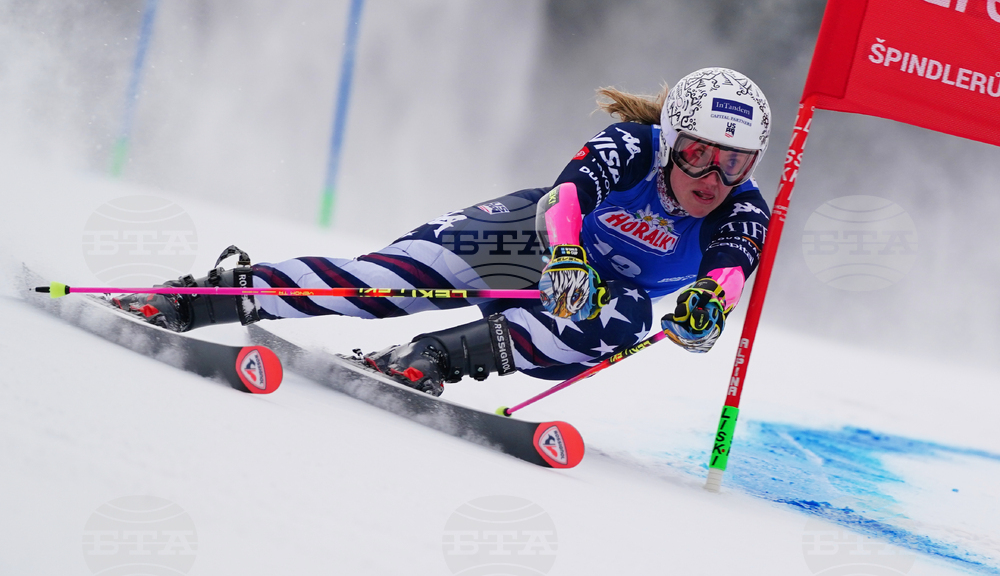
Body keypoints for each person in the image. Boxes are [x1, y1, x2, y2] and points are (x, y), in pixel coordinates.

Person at [113, 67, 772, 397]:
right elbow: (565, 197)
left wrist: (708, 308)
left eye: (734, 161)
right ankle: (194, 297)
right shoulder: (632, 144)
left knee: (622, 316)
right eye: (696, 153)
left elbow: (729, 272)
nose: (712, 175)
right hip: (528, 238)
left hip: (584, 304)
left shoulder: (741, 208)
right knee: (385, 284)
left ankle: (434, 357)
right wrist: (567, 254)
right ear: (670, 141)